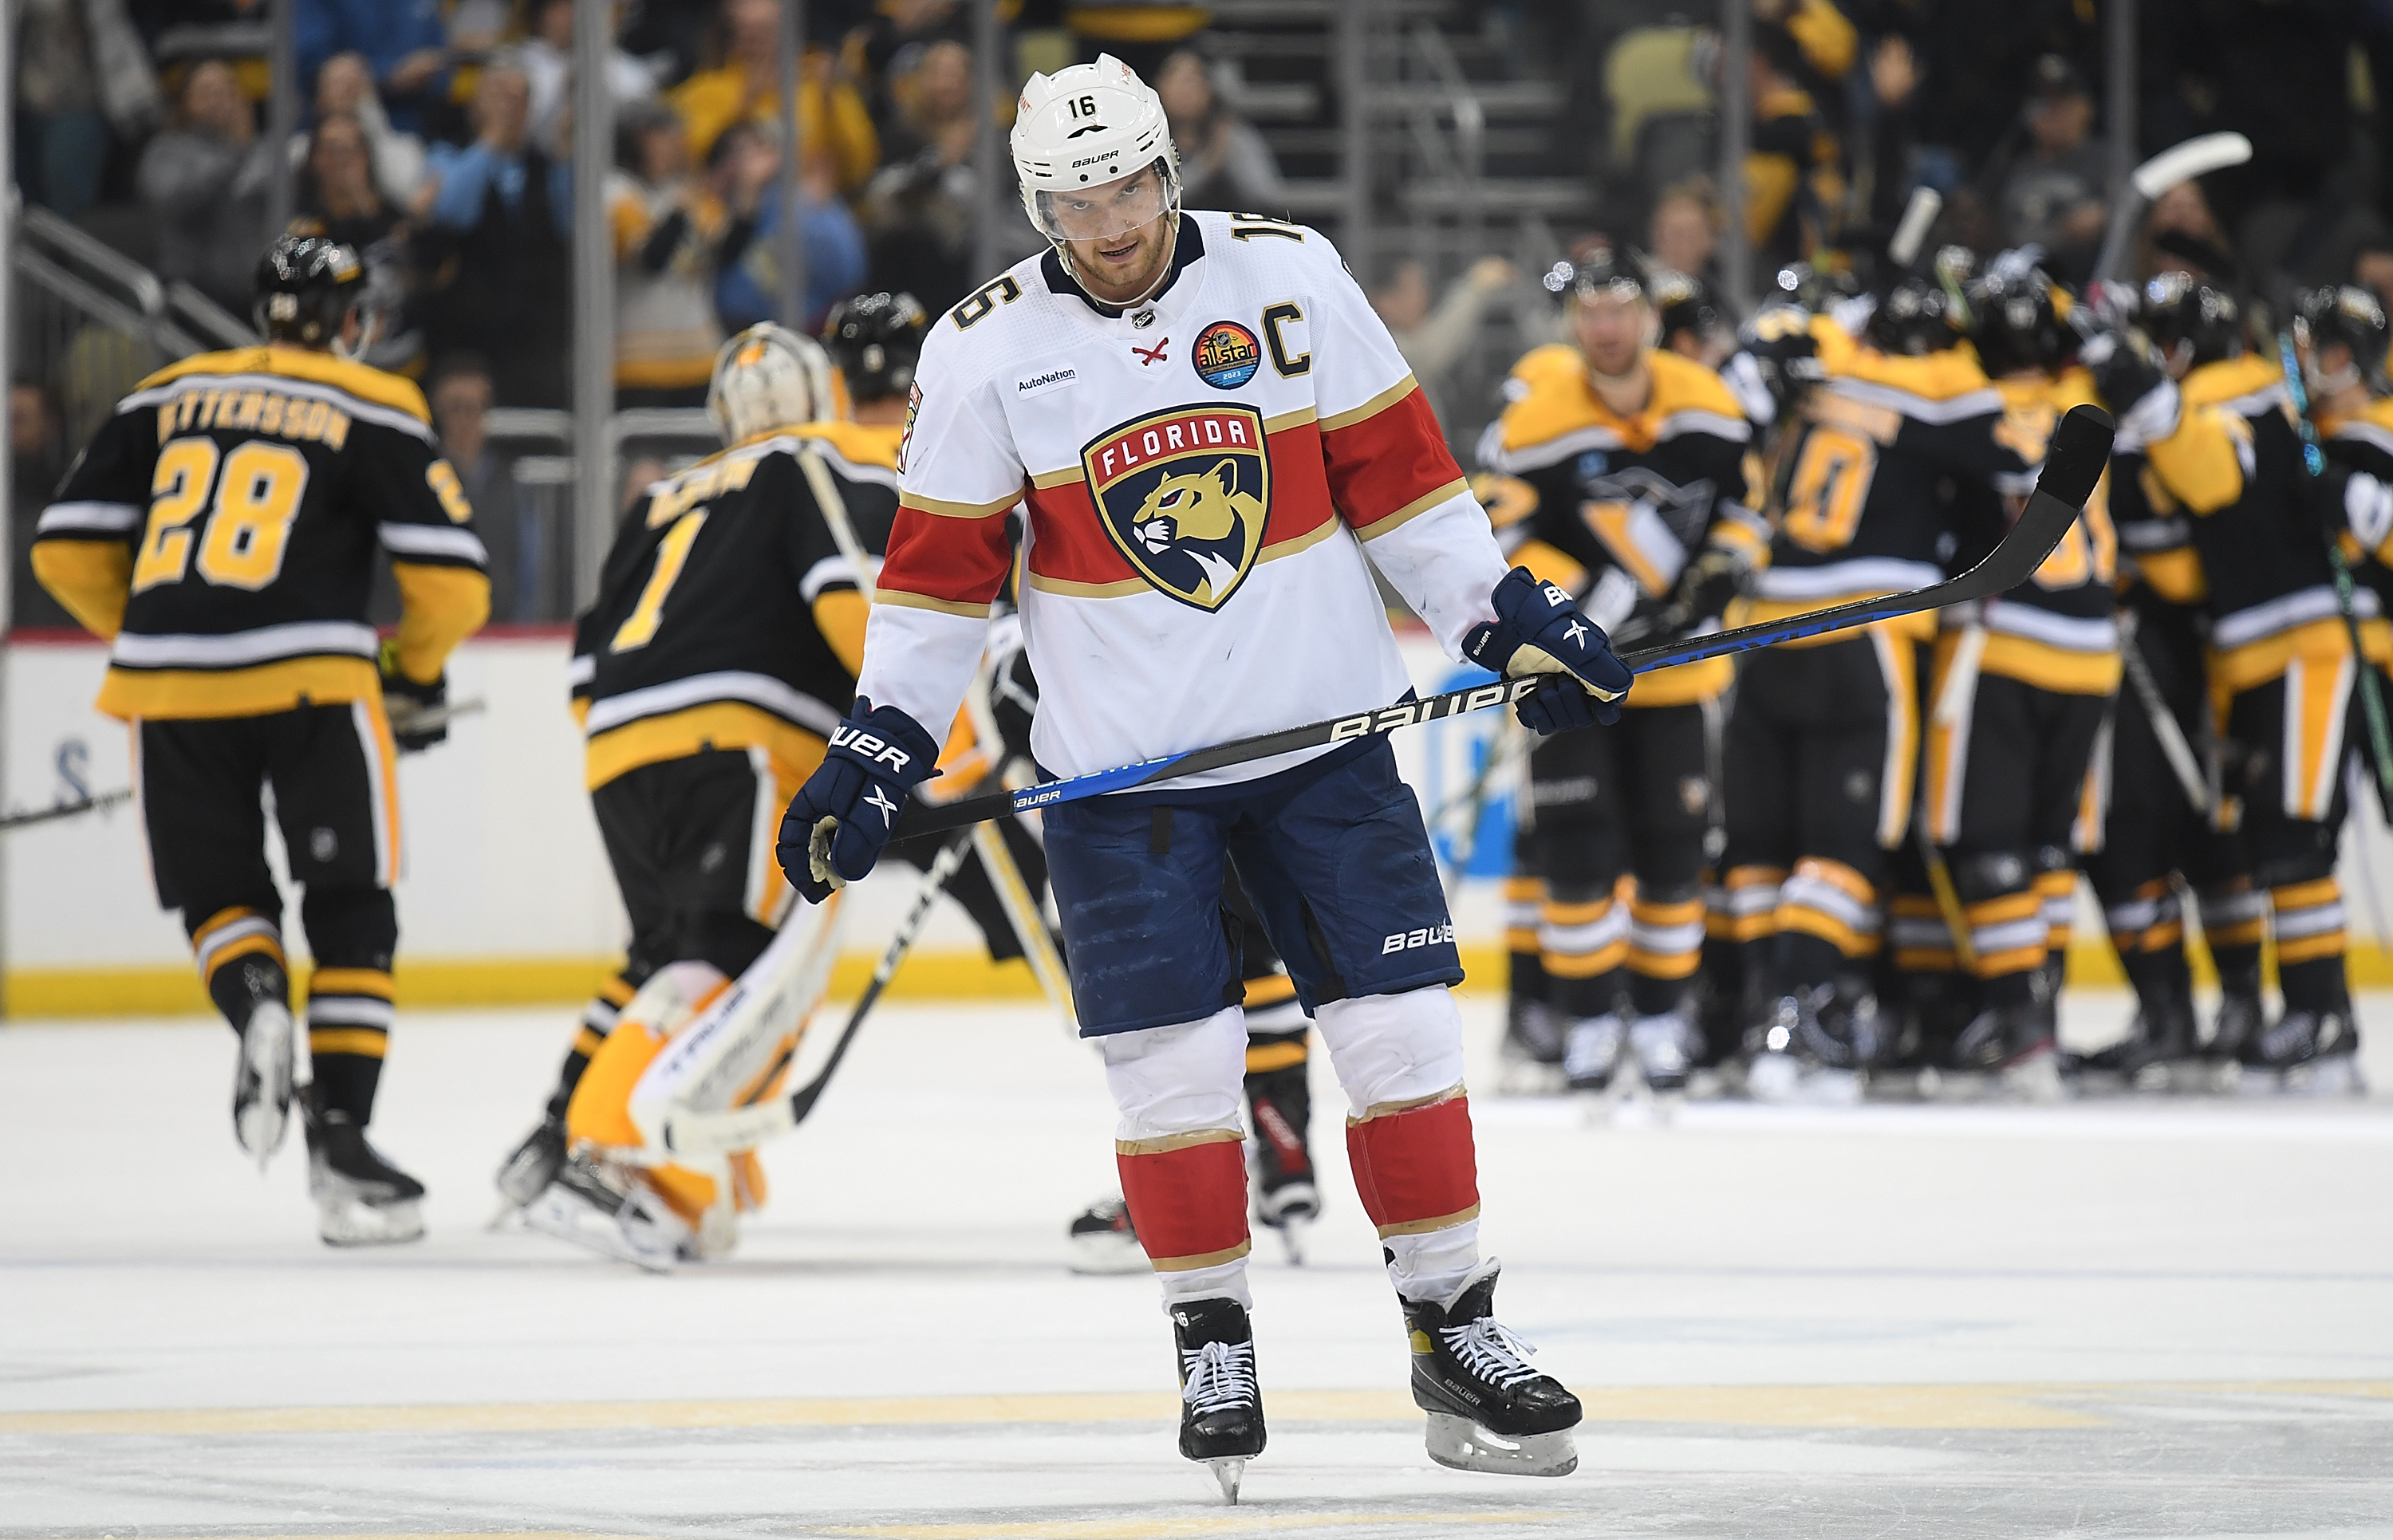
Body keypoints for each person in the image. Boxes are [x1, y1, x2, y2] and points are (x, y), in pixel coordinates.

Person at [775, 55, 1614, 1494]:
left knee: (1403, 1039)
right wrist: (877, 739)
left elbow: (1405, 488)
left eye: (1127, 189)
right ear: (1037, 204)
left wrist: (1505, 616)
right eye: (1072, 201)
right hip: (1123, 788)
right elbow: (932, 592)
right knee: (1173, 1074)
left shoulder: (1293, 276)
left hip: (1325, 751)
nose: (1108, 225)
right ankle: (1210, 1332)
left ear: (1173, 168)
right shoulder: (983, 349)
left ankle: (1453, 1326)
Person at [30, 234, 490, 1243]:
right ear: (349, 320)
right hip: (313, 683)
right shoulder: (370, 403)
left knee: (221, 893)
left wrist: (158, 636)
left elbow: (61, 548)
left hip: (168, 687)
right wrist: (409, 670)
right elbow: (454, 581)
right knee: (351, 909)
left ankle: (257, 1008)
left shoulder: (163, 394)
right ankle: (343, 1147)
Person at [491, 324, 900, 1251]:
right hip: (737, 738)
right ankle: (610, 1153)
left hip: (618, 754)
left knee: (669, 949)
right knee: (738, 955)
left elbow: (584, 662)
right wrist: (924, 732)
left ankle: (680, 1152)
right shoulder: (804, 463)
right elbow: (844, 594)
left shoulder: (659, 497)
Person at [1721, 274, 2032, 1099]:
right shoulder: (1936, 387)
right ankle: (1795, 1021)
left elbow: (1741, 397)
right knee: (1846, 845)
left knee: (1762, 847)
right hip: (1862, 632)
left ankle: (1759, 1012)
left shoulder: (1809, 365)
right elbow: (2015, 460)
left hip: (1762, 631)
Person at [1474, 242, 1764, 1097]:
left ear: (1649, 313)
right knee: (1575, 853)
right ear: (1573, 321)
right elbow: (1503, 538)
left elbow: (1748, 510)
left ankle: (1665, 1021)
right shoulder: (1534, 421)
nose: (1605, 327)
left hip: (1676, 678)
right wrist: (1593, 605)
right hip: (1569, 679)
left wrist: (1720, 569)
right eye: (1589, 312)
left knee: (1673, 855)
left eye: (1620, 309)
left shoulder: (1708, 404)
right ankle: (1592, 1022)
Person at [2085, 275, 2367, 1094]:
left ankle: (2323, 1019)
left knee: (2294, 834)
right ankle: (2310, 1017)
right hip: (2250, 650)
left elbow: (2213, 478)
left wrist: (2147, 403)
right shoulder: (2226, 389)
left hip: (2304, 642)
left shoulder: (2242, 388)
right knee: (2272, 838)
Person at [1922, 258, 2119, 1089]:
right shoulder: (2096, 405)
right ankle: (2042, 1013)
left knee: (1994, 846)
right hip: (2095, 653)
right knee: (2049, 848)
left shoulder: (1964, 407)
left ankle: (2020, 1027)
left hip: (2003, 644)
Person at [415, 60, 572, 408]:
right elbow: (453, 212)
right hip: (468, 336)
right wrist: (491, 142)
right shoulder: (447, 155)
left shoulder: (545, 166)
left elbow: (568, 223)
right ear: (476, 103)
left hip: (535, 338)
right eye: (499, 95)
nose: (509, 106)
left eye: (519, 98)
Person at [671, 0, 878, 191]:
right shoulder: (706, 88)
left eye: (766, 33)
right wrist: (748, 99)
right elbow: (695, 160)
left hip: (813, 207)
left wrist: (829, 101)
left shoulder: (817, 83)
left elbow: (861, 165)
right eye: (747, 35)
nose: (758, 46)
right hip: (737, 210)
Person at [610, 102, 731, 409]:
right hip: (639, 361)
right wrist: (679, 211)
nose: (675, 145)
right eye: (661, 137)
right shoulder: (618, 194)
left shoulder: (689, 193)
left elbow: (724, 252)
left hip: (700, 355)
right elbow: (651, 259)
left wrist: (744, 204)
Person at [137, 60, 276, 315]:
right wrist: (236, 152)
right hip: (194, 294)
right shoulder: (167, 151)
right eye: (207, 93)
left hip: (256, 293)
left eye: (227, 90)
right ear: (186, 102)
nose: (219, 100)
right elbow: (174, 203)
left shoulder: (265, 151)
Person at [1996, 56, 2108, 274]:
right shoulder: (2012, 167)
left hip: (2088, 282)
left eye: (2062, 102)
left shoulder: (2110, 162)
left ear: (2086, 108)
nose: (2052, 112)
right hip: (2023, 284)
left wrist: (2106, 215)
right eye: (2043, 103)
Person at [1153, 50, 1287, 216]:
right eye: (1176, 79)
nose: (1185, 90)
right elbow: (1158, 199)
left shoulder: (1231, 136)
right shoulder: (1149, 141)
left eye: (1192, 80)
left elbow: (1267, 196)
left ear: (1210, 90)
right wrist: (1208, 164)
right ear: (1159, 86)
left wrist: (1229, 155)